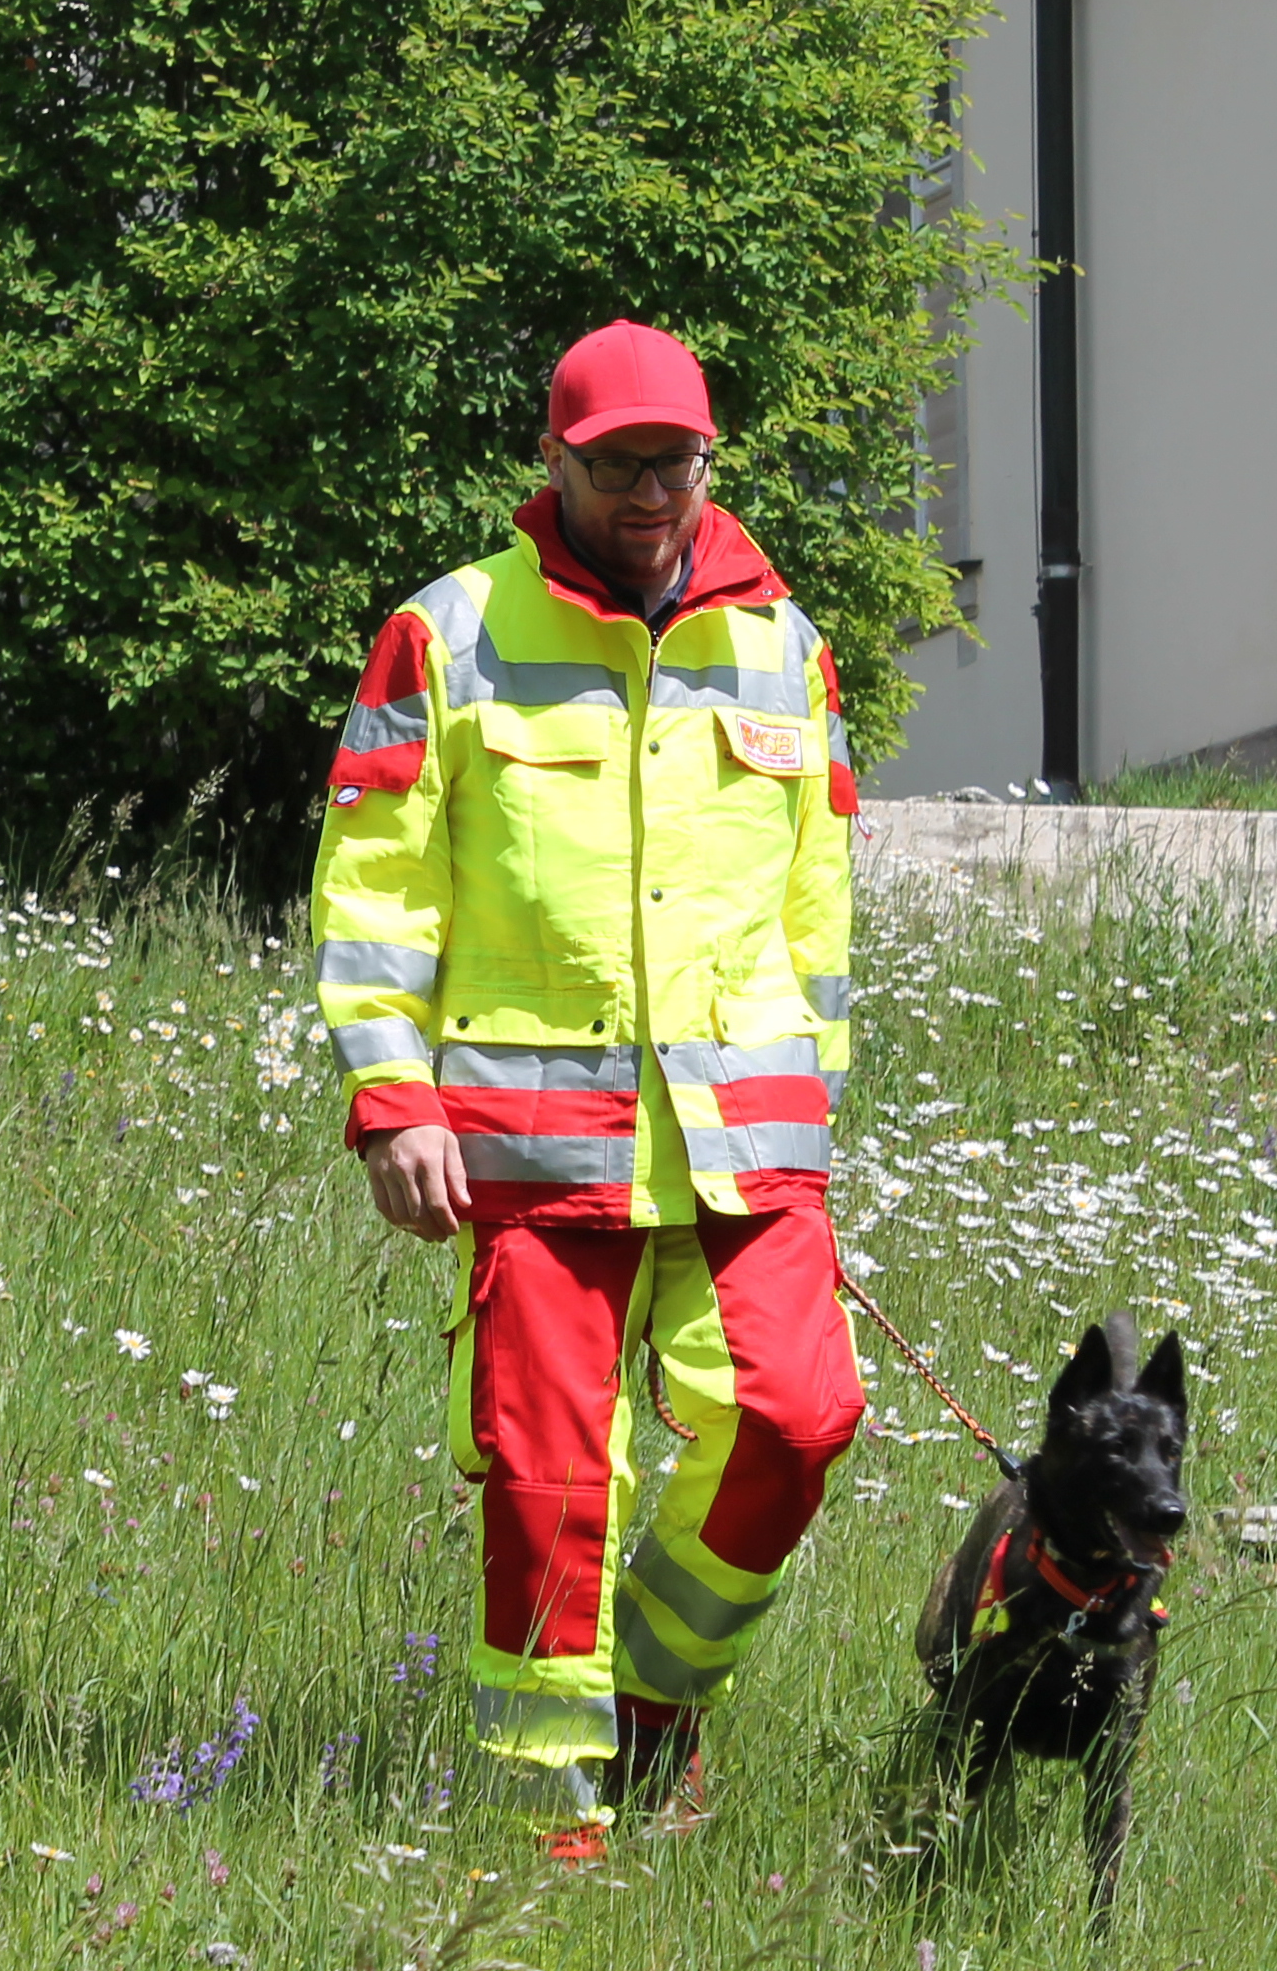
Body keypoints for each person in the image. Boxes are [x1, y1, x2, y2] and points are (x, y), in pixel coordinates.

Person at [310, 319, 867, 1853]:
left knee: (801, 1423)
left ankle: (654, 1712)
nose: (645, 492)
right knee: (551, 1488)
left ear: (707, 466)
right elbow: (375, 893)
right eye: (615, 464)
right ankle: (546, 1834)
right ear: (552, 461)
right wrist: (392, 1101)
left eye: (670, 464)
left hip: (745, 1147)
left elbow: (816, 898)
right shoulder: (448, 636)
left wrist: (813, 1099)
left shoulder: (785, 647)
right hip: (533, 1150)